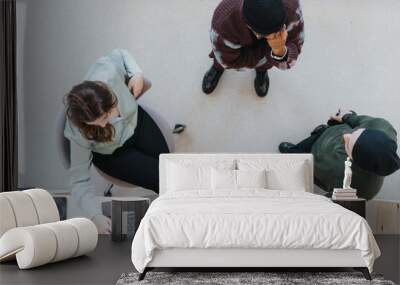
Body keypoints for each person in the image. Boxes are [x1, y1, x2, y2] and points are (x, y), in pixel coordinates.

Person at [64, 49, 170, 233]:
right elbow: (79, 180)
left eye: (108, 114)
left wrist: (136, 73)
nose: (109, 121)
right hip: (113, 155)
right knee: (163, 179)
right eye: (100, 122)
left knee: (170, 165)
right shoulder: (77, 131)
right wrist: (94, 215)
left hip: (137, 123)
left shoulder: (106, 71)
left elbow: (121, 54)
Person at [279, 110, 400, 200]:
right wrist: (345, 116)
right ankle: (313, 137)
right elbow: (358, 120)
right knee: (318, 135)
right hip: (327, 136)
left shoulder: (357, 189)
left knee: (299, 162)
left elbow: (329, 203)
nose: (345, 136)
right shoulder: (383, 126)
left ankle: (295, 155)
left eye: (348, 144)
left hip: (316, 167)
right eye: (355, 133)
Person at [202, 0, 304, 97]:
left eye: (280, 30)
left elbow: (296, 45)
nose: (275, 38)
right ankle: (217, 68)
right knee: (221, 60)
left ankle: (261, 71)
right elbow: (229, 62)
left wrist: (279, 50)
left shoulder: (293, 9)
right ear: (246, 24)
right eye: (262, 34)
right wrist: (269, 51)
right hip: (232, 53)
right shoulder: (223, 22)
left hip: (258, 57)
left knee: (264, 64)